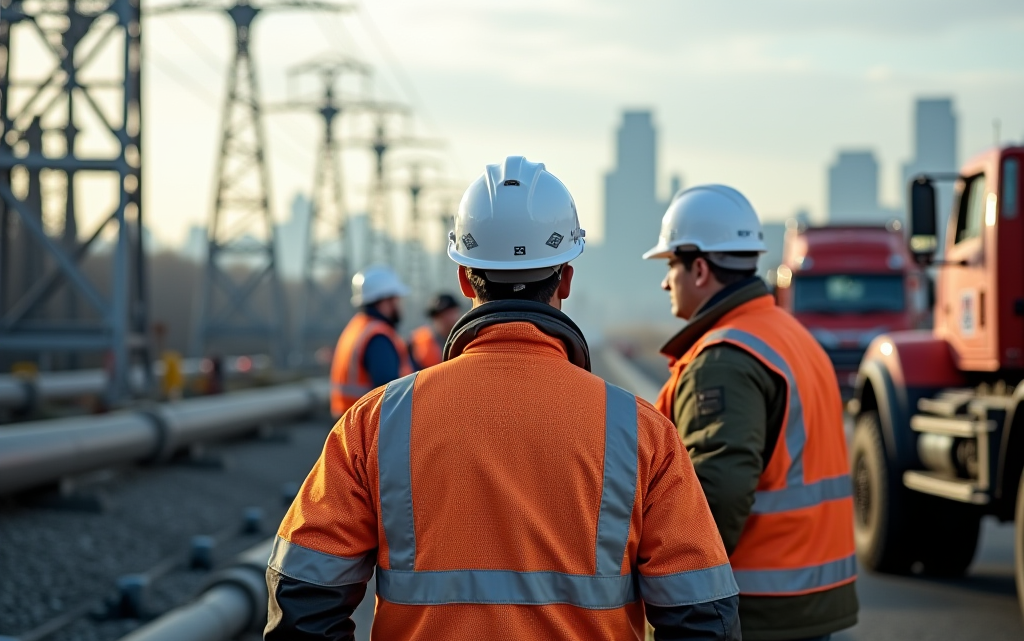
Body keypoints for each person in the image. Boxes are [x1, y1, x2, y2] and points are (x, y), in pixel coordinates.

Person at [266, 156, 741, 641]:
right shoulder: (640, 432)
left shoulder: (375, 423)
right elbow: (701, 617)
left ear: (463, 279)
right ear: (566, 279)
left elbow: (303, 597)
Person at [642, 184, 858, 641]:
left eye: (670, 265)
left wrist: (674, 597)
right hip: (811, 595)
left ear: (700, 269)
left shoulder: (723, 360)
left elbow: (716, 495)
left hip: (759, 605)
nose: (665, 282)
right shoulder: (790, 335)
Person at [328, 265, 413, 418]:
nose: (399, 304)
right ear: (385, 300)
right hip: (368, 425)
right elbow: (390, 395)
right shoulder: (378, 337)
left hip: (348, 422)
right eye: (396, 299)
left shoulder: (356, 327)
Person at [409, 293, 461, 369]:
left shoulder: (466, 338)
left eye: (449, 313)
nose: (445, 319)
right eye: (439, 316)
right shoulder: (417, 341)